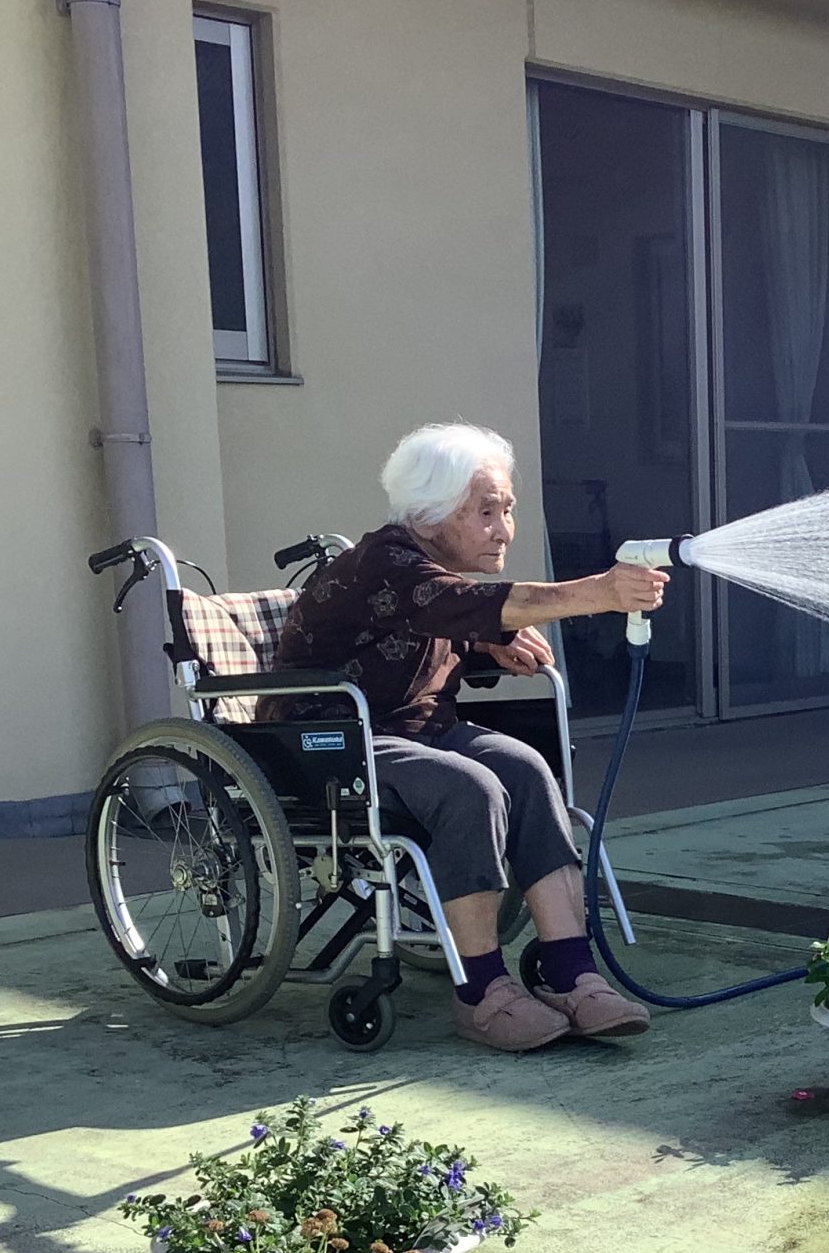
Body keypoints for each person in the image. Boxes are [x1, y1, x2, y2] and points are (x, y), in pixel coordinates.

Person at [270, 422, 666, 1051]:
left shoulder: (426, 571)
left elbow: (448, 617)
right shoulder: (388, 562)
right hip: (336, 741)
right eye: (485, 512)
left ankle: (569, 970)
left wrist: (486, 641)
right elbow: (455, 602)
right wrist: (602, 593)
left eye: (506, 510)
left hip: (422, 731)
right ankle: (480, 990)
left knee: (529, 768)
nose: (503, 530)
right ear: (430, 512)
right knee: (471, 787)